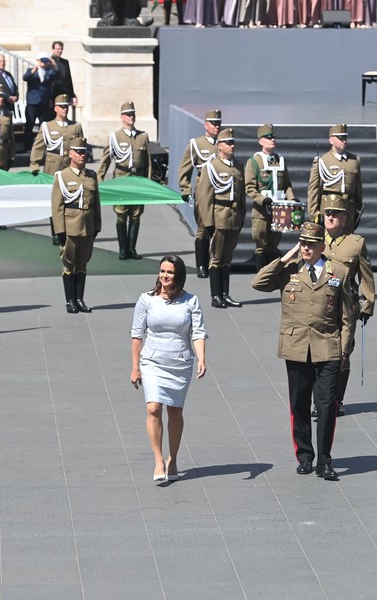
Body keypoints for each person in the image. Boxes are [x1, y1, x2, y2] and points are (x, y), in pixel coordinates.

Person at [252, 222, 345, 481]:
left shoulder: (338, 271)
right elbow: (258, 283)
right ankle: (305, 455)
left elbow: (347, 315)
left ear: (321, 246)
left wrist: (344, 349)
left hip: (327, 346)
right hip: (296, 347)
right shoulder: (289, 270)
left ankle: (325, 460)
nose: (305, 247)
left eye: (310, 244)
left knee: (326, 405)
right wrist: (284, 258)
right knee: (299, 403)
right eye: (302, 242)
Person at [130, 256, 207, 482]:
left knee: (175, 411)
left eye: (170, 272)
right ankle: (158, 460)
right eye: (162, 271)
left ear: (178, 275)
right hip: (152, 361)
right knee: (153, 408)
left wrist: (201, 358)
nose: (165, 276)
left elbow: (198, 333)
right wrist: (135, 367)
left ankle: (173, 458)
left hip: (179, 362)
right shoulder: (146, 300)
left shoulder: (191, 301)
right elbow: (137, 334)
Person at [321, 193, 375, 415]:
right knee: (320, 353)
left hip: (346, 305)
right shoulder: (314, 239)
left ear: (344, 218)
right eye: (328, 213)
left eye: (336, 214)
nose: (331, 217)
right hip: (319, 304)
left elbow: (366, 276)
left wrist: (368, 304)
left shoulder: (356, 243)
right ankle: (321, 400)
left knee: (343, 352)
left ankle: (336, 400)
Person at [194, 127, 244, 309]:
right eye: (228, 143)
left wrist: (242, 216)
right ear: (219, 145)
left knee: (227, 259)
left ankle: (225, 293)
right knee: (216, 258)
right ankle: (215, 295)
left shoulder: (238, 165)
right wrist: (208, 223)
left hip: (234, 217)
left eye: (233, 142)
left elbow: (242, 195)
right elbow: (205, 198)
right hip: (219, 217)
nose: (232, 146)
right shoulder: (211, 167)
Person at [51, 137, 100, 314]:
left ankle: (80, 299)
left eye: (84, 152)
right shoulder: (62, 177)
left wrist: (97, 226)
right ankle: (70, 300)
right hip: (70, 226)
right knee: (69, 264)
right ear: (70, 153)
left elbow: (96, 204)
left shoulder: (91, 176)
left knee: (83, 263)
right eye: (78, 152)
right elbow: (57, 207)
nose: (82, 155)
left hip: (88, 225)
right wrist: (60, 231)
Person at [98, 101, 151, 260]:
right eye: (128, 114)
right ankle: (122, 249)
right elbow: (106, 159)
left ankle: (132, 248)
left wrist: (148, 182)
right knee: (121, 214)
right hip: (121, 178)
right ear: (122, 117)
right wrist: (99, 180)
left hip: (138, 179)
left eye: (133, 114)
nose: (131, 117)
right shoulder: (115, 137)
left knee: (136, 214)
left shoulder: (143, 136)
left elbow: (147, 161)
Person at [177, 109, 221, 278]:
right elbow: (185, 167)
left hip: (220, 192)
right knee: (203, 228)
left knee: (218, 228)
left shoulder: (223, 143)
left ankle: (213, 262)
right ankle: (201, 265)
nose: (216, 127)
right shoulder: (197, 144)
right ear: (206, 125)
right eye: (213, 123)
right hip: (204, 191)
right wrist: (185, 189)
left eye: (218, 123)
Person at [245, 123, 295, 269]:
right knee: (261, 243)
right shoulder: (254, 161)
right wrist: (262, 200)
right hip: (262, 210)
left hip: (279, 207)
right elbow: (249, 187)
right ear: (260, 141)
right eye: (268, 137)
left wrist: (291, 200)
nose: (272, 139)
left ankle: (272, 273)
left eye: (273, 137)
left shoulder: (280, 160)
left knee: (274, 242)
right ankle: (261, 272)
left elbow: (286, 185)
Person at [308, 123, 363, 234]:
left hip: (348, 209)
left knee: (347, 241)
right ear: (331, 140)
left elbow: (358, 189)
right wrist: (314, 214)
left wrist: (358, 210)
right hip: (329, 208)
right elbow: (314, 189)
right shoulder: (322, 161)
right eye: (340, 138)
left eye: (345, 137)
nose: (344, 141)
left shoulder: (354, 160)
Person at [22, 53, 56, 150]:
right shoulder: (31, 71)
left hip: (44, 102)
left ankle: (44, 144)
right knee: (30, 123)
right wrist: (34, 70)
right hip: (32, 102)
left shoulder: (49, 71)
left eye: (45, 61)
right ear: (38, 61)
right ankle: (28, 145)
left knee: (44, 124)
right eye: (41, 61)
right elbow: (25, 78)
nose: (43, 63)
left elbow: (57, 74)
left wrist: (52, 62)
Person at [50, 41, 77, 121]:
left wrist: (72, 96)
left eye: (61, 49)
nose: (60, 51)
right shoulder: (49, 62)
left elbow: (68, 79)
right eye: (58, 49)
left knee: (63, 116)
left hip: (64, 95)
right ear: (53, 49)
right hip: (53, 96)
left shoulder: (65, 62)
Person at [0, 52, 18, 117]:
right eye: (0, 61)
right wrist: (8, 97)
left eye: (3, 61)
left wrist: (16, 96)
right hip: (2, 104)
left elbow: (15, 87)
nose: (2, 63)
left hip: (10, 105)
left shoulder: (8, 74)